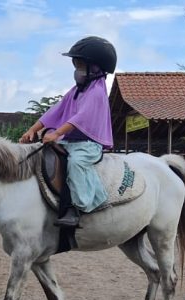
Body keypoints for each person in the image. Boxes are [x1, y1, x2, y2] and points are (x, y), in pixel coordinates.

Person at [19, 36, 116, 227]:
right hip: (70, 142)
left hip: (88, 145)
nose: (76, 70)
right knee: (44, 156)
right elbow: (56, 110)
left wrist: (56, 134)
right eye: (75, 65)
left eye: (80, 65)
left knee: (76, 163)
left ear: (95, 68)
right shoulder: (75, 91)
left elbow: (81, 118)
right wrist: (33, 129)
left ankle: (77, 208)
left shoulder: (96, 93)